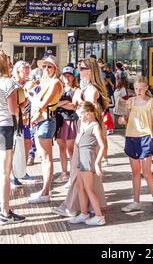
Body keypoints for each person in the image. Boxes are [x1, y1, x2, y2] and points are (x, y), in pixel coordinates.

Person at [52, 58, 108, 218]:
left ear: (90, 70)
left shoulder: (91, 90)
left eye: (81, 68)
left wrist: (80, 137)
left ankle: (72, 207)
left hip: (85, 136)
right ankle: (88, 207)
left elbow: (87, 115)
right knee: (86, 173)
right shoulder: (89, 88)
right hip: (88, 136)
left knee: (78, 172)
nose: (79, 71)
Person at [119, 75, 153, 216]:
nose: (138, 91)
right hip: (131, 138)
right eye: (136, 88)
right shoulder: (130, 102)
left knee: (147, 173)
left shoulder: (152, 102)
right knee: (135, 173)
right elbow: (127, 120)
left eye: (140, 88)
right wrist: (122, 121)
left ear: (146, 88)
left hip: (145, 139)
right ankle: (136, 201)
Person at [28, 55, 63, 204]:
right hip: (41, 120)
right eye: (45, 66)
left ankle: (45, 192)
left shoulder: (55, 82)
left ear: (55, 69)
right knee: (43, 158)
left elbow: (43, 103)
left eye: (50, 66)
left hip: (46, 120)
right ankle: (44, 190)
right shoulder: (45, 81)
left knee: (46, 158)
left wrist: (34, 116)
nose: (47, 69)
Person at [69, 101, 107, 226]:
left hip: (87, 158)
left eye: (81, 115)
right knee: (80, 186)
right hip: (81, 157)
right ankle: (84, 213)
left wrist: (97, 163)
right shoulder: (83, 124)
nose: (80, 118)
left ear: (89, 114)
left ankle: (99, 217)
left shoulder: (95, 126)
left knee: (89, 188)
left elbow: (102, 146)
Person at [0, 51, 25, 225]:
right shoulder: (8, 82)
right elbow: (13, 110)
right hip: (4, 128)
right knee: (4, 173)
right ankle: (5, 212)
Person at [11, 61, 36, 188]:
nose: (27, 72)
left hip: (24, 119)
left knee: (27, 143)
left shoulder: (25, 84)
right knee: (15, 148)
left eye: (28, 69)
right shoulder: (13, 84)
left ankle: (21, 171)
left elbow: (24, 104)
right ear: (17, 70)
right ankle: (14, 175)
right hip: (14, 121)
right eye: (24, 70)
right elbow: (18, 105)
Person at [55, 66, 79, 184]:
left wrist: (59, 104)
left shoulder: (76, 90)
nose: (66, 77)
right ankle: (64, 173)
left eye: (69, 75)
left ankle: (73, 175)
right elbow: (54, 103)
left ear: (73, 77)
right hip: (60, 121)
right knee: (61, 148)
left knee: (71, 150)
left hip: (70, 121)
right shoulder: (60, 88)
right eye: (65, 75)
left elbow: (73, 106)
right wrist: (65, 103)